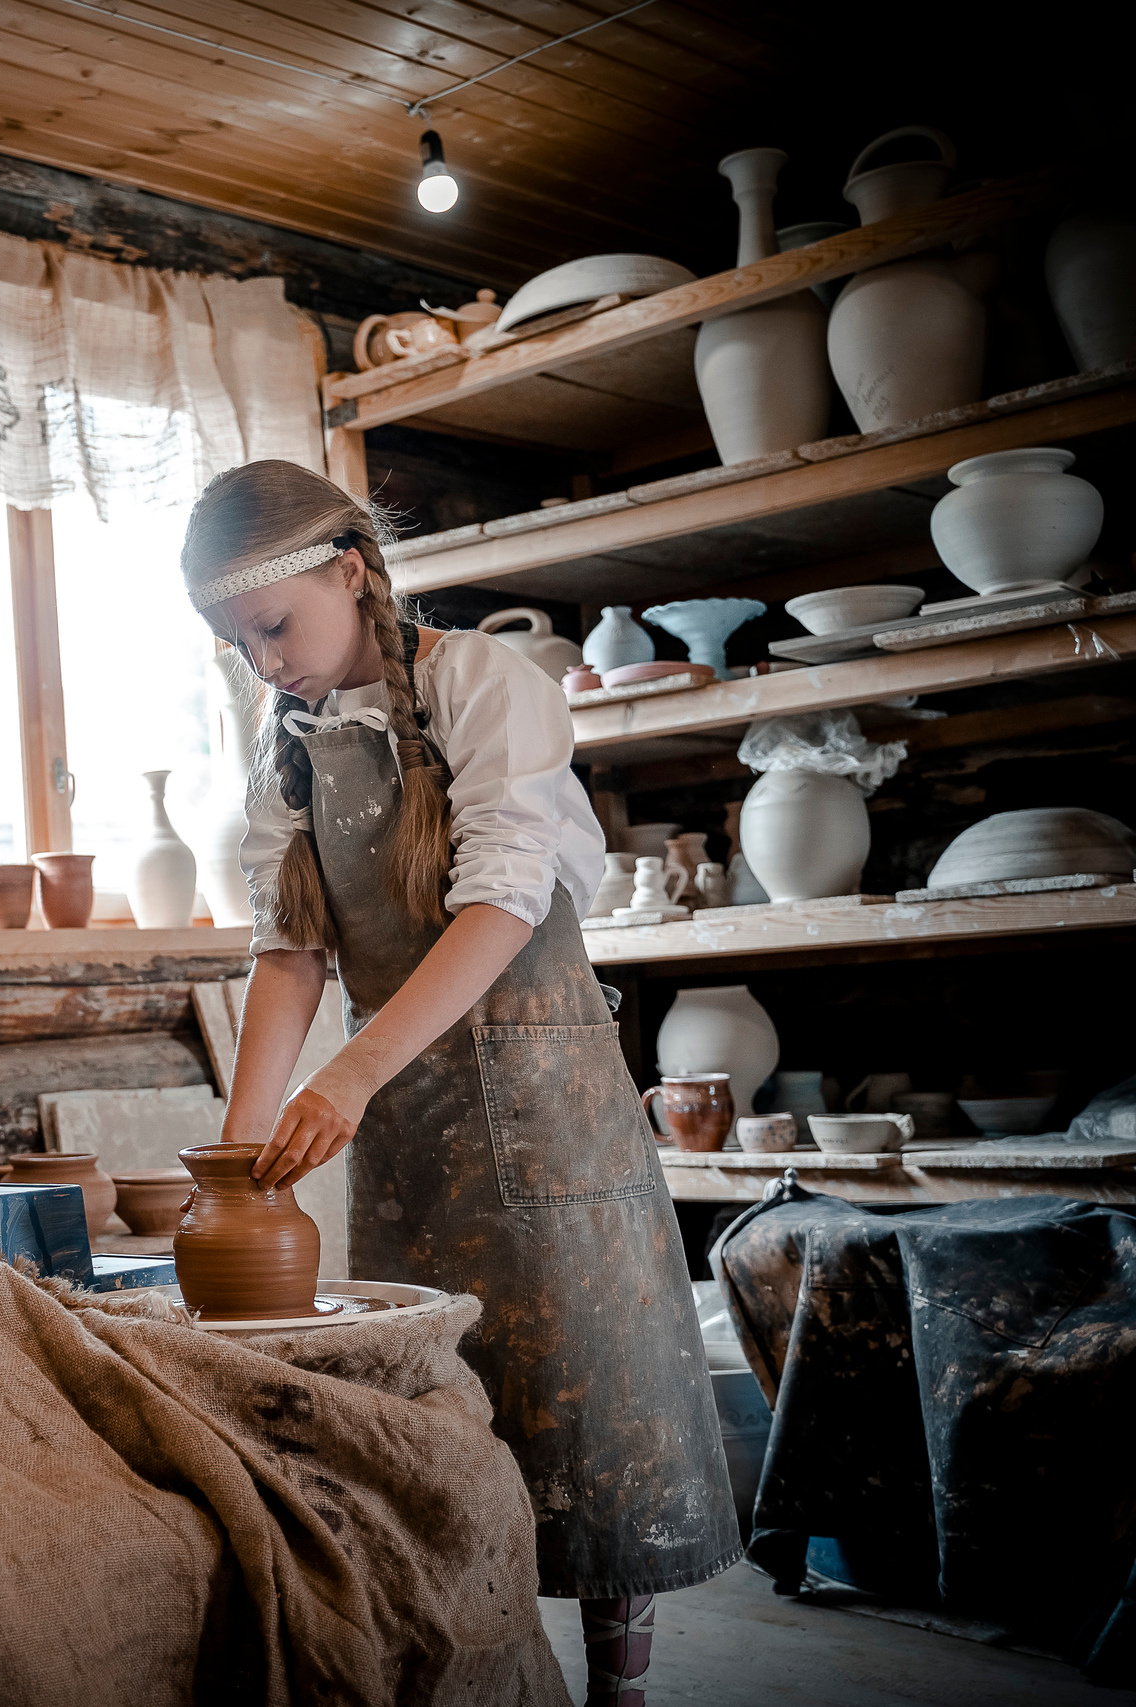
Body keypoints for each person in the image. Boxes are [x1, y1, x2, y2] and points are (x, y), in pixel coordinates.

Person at [184, 460, 738, 1706]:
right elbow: (288, 950)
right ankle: (473, 1666)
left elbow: (503, 899)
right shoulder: (295, 742)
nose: (263, 665)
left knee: (590, 1398)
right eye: (236, 646)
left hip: (541, 1090)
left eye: (273, 629)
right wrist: (237, 1148)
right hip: (407, 1119)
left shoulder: (489, 683)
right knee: (439, 1405)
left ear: (350, 569)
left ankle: (619, 1685)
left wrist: (353, 1070)